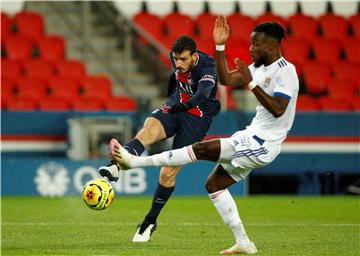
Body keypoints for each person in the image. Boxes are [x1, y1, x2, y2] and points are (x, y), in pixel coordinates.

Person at [111, 16, 299, 255]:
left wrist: (252, 84)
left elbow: (278, 108)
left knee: (200, 150)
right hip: (252, 136)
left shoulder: (287, 72)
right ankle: (244, 243)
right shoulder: (257, 69)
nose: (251, 48)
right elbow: (226, 79)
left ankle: (134, 162)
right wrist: (220, 47)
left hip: (264, 143)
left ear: (272, 46)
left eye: (256, 44)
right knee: (214, 184)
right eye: (251, 43)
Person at [98, 35, 221, 242]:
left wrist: (187, 105)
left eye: (183, 59)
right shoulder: (178, 62)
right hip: (176, 105)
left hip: (197, 118)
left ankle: (149, 222)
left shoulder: (207, 65)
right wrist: (172, 93)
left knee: (167, 173)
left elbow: (204, 92)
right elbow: (176, 78)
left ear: (194, 55)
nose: (178, 63)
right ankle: (115, 168)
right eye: (176, 59)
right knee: (147, 131)